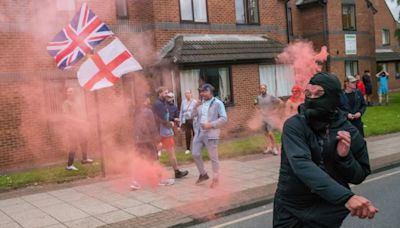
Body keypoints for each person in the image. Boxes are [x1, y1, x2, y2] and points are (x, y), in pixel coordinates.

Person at [273, 72, 378, 228]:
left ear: (333, 97)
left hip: (325, 211)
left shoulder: (349, 131)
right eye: (308, 94)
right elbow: (302, 164)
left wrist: (344, 158)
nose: (312, 98)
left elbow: (360, 174)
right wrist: (346, 198)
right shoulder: (295, 126)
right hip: (291, 208)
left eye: (319, 94)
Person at [130, 93, 174, 190]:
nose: (149, 100)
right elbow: (152, 127)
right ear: (145, 100)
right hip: (147, 140)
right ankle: (160, 179)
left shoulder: (135, 112)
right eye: (148, 98)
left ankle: (135, 182)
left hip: (137, 140)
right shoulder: (148, 112)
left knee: (140, 160)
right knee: (154, 159)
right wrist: (158, 141)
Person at [191, 84, 227, 188]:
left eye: (203, 91)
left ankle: (216, 179)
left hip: (211, 134)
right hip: (199, 133)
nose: (201, 94)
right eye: (201, 92)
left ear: (209, 92)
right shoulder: (200, 103)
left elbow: (224, 118)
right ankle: (203, 174)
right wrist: (195, 106)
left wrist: (210, 125)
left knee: (213, 157)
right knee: (195, 153)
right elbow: (192, 116)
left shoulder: (218, 103)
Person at [152, 86, 189, 179]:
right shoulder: (158, 104)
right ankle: (159, 173)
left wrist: (172, 119)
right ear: (160, 93)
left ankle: (175, 172)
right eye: (165, 93)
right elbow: (160, 118)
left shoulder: (163, 102)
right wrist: (169, 124)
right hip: (161, 131)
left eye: (167, 92)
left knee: (168, 152)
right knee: (157, 153)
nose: (167, 94)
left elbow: (166, 116)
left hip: (164, 131)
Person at [62, 88, 93, 171]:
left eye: (71, 92)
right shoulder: (66, 103)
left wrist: (84, 121)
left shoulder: (76, 102)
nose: (69, 93)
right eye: (68, 92)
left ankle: (84, 159)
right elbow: (67, 117)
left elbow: (80, 114)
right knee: (73, 146)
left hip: (79, 127)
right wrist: (80, 121)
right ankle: (69, 165)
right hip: (71, 128)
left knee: (84, 141)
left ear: (74, 93)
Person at [254, 84, 283, 155]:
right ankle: (269, 147)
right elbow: (255, 105)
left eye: (264, 88)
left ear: (266, 89)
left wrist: (276, 110)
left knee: (270, 133)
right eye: (261, 88)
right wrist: (258, 110)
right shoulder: (258, 97)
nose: (262, 90)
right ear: (259, 90)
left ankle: (274, 148)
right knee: (266, 134)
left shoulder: (271, 97)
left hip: (270, 117)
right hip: (262, 117)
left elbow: (281, 102)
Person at [179, 89, 197, 155]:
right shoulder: (183, 102)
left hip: (193, 120)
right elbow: (181, 112)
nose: (187, 94)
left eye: (188, 93)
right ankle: (188, 149)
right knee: (187, 134)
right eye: (186, 93)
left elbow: (197, 111)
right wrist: (180, 121)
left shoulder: (194, 102)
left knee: (195, 134)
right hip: (186, 120)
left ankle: (196, 147)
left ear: (191, 94)